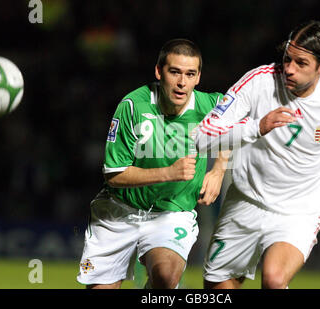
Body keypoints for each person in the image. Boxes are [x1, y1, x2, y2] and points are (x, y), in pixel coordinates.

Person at [194, 20, 320, 289]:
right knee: (217, 288)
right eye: (287, 59)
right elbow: (202, 136)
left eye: (301, 63)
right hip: (244, 202)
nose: (289, 70)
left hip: (298, 213)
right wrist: (255, 127)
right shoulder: (259, 81)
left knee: (274, 279)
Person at [77, 39, 227, 289]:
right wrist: (169, 173)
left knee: (166, 278)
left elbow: (233, 127)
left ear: (198, 77)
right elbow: (114, 175)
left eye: (190, 74)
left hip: (171, 214)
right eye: (175, 72)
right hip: (119, 211)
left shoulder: (211, 106)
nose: (182, 83)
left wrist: (219, 170)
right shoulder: (133, 106)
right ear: (159, 71)